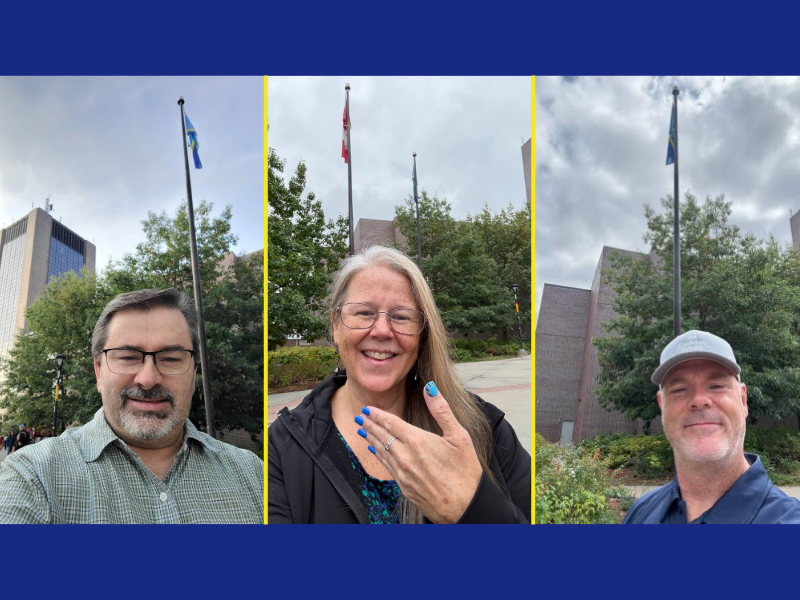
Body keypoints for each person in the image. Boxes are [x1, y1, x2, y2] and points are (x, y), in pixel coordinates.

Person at [269, 245, 531, 524]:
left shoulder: (485, 428)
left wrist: (472, 507)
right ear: (336, 325)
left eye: (401, 317)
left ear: (422, 334)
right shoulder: (285, 446)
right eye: (364, 313)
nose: (382, 330)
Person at [0, 288, 263, 524]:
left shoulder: (253, 474)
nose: (148, 379)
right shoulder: (32, 476)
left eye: (171, 359)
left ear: (193, 376)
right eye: (127, 357)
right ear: (99, 372)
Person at [624, 330, 800, 524]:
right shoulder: (640, 514)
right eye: (679, 389)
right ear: (662, 405)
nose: (699, 400)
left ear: (743, 400)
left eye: (716, 385)